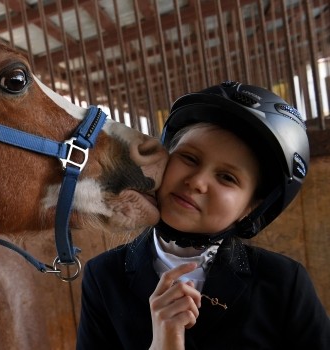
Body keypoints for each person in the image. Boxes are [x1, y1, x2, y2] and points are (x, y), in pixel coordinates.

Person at [76, 81, 330, 349]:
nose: (197, 182)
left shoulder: (283, 282)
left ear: (251, 208)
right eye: (189, 158)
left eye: (227, 177)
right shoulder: (104, 276)